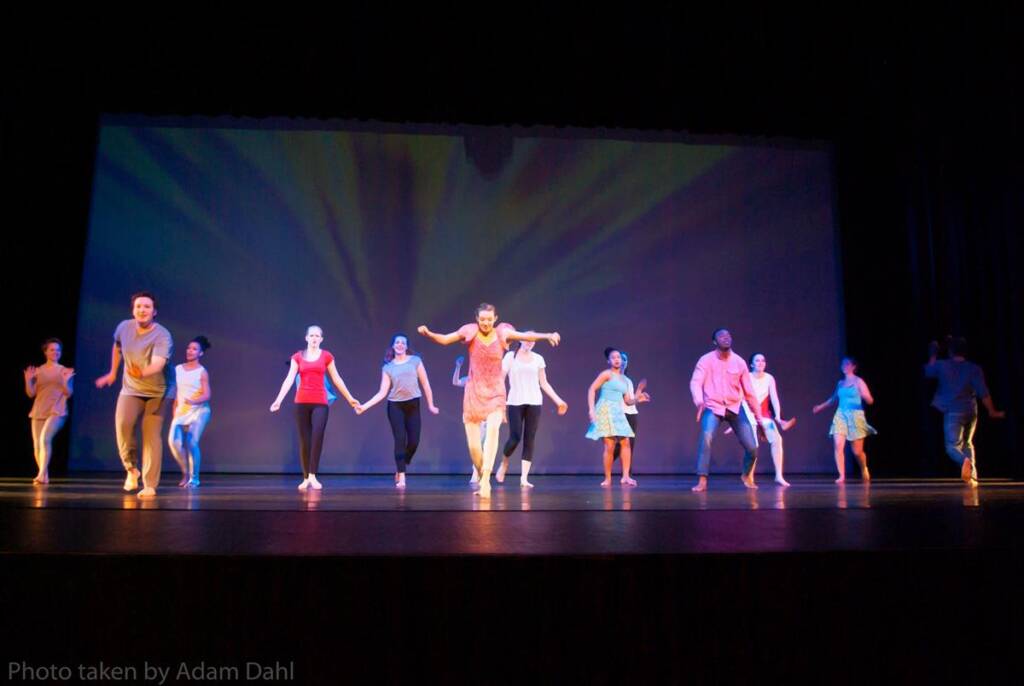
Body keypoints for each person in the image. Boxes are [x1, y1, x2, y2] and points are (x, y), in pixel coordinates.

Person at [418, 303, 560, 498]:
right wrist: (429, 334)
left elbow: (525, 336)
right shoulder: (470, 331)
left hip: (495, 391)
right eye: (482, 319)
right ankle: (482, 471)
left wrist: (547, 336)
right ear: (477, 319)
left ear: (495, 318)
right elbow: (445, 339)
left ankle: (485, 481)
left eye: (489, 319)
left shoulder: (503, 333)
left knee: (493, 432)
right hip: (473, 392)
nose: (485, 322)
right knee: (474, 447)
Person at [95, 291, 173, 499]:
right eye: (138, 306)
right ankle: (131, 470)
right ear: (133, 310)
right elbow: (117, 346)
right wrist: (112, 373)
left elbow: (158, 364)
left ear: (154, 312)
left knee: (151, 437)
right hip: (131, 389)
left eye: (147, 307)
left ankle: (149, 484)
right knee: (123, 426)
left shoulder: (162, 335)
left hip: (158, 392)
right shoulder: (124, 327)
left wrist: (142, 372)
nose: (142, 310)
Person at [270, 325, 359, 491]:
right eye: (311, 335)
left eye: (317, 336)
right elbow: (289, 379)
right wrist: (278, 400)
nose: (314, 338)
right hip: (301, 402)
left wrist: (350, 398)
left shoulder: (326, 356)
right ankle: (305, 478)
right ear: (306, 338)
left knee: (317, 437)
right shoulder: (297, 357)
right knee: (305, 441)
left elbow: (337, 379)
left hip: (320, 403)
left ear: (321, 339)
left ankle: (313, 475)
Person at [356, 334, 439, 488]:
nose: (400, 345)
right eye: (397, 342)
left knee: (414, 441)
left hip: (413, 404)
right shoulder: (388, 367)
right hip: (395, 407)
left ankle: (403, 463)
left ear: (406, 346)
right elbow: (382, 392)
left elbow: (425, 384)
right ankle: (401, 475)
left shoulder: (415, 361)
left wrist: (431, 405)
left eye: (403, 343)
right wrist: (364, 406)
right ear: (393, 346)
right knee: (400, 440)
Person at [689, 328, 763, 492]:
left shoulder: (739, 362)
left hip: (735, 407)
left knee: (752, 447)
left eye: (728, 336)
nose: (726, 338)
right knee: (707, 436)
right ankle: (702, 479)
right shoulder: (706, 360)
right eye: (721, 336)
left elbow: (750, 393)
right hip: (713, 406)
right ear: (714, 341)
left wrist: (759, 419)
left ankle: (746, 474)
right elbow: (695, 382)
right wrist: (699, 400)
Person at [924, 337, 1004, 486]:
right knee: (967, 443)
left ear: (950, 352)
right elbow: (983, 392)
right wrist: (992, 411)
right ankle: (972, 477)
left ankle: (965, 461)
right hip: (971, 411)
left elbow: (928, 371)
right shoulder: (974, 368)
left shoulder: (942, 365)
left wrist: (933, 354)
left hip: (953, 411)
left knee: (952, 447)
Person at [496, 338, 568, 488]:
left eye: (533, 340)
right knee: (515, 437)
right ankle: (504, 463)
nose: (530, 342)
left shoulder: (538, 359)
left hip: (534, 402)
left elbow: (544, 383)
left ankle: (524, 478)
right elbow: (500, 380)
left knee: (530, 439)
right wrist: (500, 405)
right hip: (515, 402)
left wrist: (558, 400)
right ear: (520, 339)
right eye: (527, 339)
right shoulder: (510, 356)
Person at [587, 347, 646, 487]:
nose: (617, 359)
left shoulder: (624, 380)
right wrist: (591, 410)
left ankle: (625, 476)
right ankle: (607, 479)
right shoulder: (606, 374)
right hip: (605, 409)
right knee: (610, 445)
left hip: (618, 411)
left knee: (626, 442)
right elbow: (591, 389)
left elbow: (627, 401)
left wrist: (638, 398)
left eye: (619, 357)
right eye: (613, 357)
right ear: (608, 361)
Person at [813, 356, 876, 483]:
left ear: (853, 367)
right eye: (843, 364)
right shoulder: (840, 383)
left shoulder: (859, 382)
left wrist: (864, 395)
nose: (844, 366)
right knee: (838, 444)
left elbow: (870, 400)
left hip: (856, 416)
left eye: (847, 364)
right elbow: (833, 399)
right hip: (840, 415)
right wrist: (820, 406)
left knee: (857, 451)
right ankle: (841, 475)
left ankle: (864, 467)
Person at [738, 353, 796, 487]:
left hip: (764, 416)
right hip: (749, 415)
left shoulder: (769, 378)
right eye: (757, 360)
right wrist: (736, 420)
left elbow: (774, 399)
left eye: (763, 360)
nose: (760, 362)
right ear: (751, 364)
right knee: (753, 446)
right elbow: (740, 398)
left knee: (777, 440)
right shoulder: (746, 377)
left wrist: (778, 417)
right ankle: (749, 476)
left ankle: (779, 476)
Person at [24, 338, 74, 484]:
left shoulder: (65, 371)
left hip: (57, 410)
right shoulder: (38, 371)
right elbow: (31, 393)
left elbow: (69, 393)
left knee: (45, 439)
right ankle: (43, 475)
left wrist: (65, 381)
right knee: (37, 444)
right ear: (45, 352)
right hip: (39, 409)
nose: (55, 352)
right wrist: (27, 380)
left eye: (58, 350)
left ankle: (41, 474)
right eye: (52, 349)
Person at [168, 336, 212, 488]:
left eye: (194, 349)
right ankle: (185, 473)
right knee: (174, 442)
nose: (190, 351)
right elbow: (175, 393)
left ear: (200, 353)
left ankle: (194, 478)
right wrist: (175, 411)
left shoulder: (202, 372)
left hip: (200, 411)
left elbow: (207, 394)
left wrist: (193, 401)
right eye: (189, 348)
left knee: (191, 441)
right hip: (182, 411)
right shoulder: (177, 369)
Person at [611, 351, 650, 467]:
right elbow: (626, 401)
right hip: (621, 414)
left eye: (625, 360)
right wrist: (637, 396)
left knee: (630, 445)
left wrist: (639, 395)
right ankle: (608, 461)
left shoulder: (628, 381)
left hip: (632, 415)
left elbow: (631, 401)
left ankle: (627, 473)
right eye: (621, 359)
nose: (623, 362)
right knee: (621, 444)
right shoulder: (614, 379)